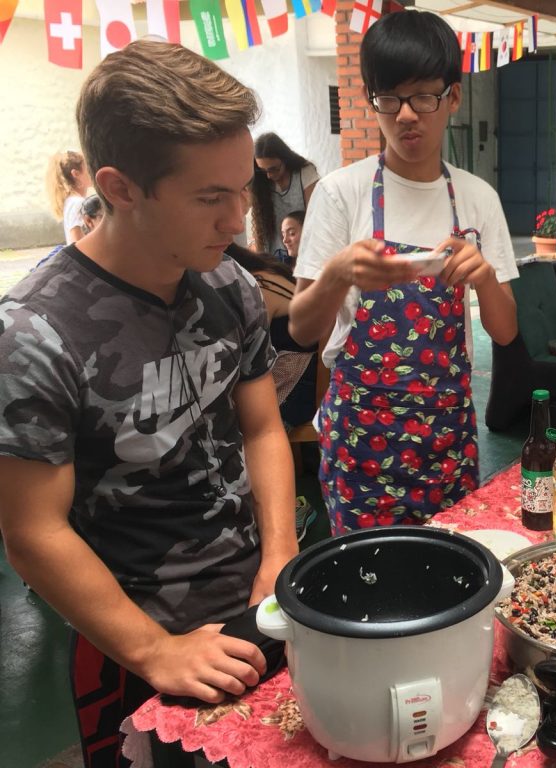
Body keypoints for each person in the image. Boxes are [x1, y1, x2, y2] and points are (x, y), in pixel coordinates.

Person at [0, 40, 297, 768]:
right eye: (210, 197)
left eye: (242, 187)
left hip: (255, 598)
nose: (238, 219)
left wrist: (281, 552)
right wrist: (153, 649)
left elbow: (262, 428)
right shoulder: (37, 332)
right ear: (121, 187)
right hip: (132, 634)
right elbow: (32, 531)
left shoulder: (227, 286)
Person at [289, 8, 518, 533]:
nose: (407, 115)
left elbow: (505, 332)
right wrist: (338, 274)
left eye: (424, 97)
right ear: (373, 99)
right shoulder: (340, 192)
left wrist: (482, 276)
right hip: (360, 439)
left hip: (446, 437)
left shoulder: (477, 198)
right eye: (389, 99)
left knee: (448, 579)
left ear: (452, 97)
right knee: (366, 584)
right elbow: (302, 329)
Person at [225, 243, 317, 430]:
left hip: (299, 381)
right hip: (311, 371)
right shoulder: (268, 269)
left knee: (242, 422)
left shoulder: (256, 284)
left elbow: (245, 348)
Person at [251, 133, 320, 259]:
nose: (269, 175)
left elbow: (314, 218)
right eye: (263, 170)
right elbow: (259, 224)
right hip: (274, 254)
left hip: (304, 252)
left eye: (273, 169)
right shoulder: (260, 181)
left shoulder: (305, 173)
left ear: (285, 159)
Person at [45, 149, 92, 244]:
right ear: (76, 174)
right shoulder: (78, 203)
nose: (92, 171)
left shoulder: (71, 201)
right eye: (88, 168)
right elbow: (78, 243)